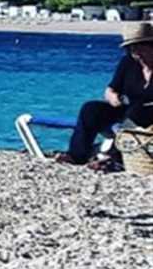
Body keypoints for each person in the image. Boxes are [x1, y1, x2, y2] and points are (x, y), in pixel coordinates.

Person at [62, 21, 153, 163]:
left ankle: (115, 156)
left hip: (146, 114)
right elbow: (111, 89)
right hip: (127, 110)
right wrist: (112, 97)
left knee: (139, 110)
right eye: (132, 49)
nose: (137, 53)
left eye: (141, 48)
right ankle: (77, 155)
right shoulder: (128, 62)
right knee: (90, 109)